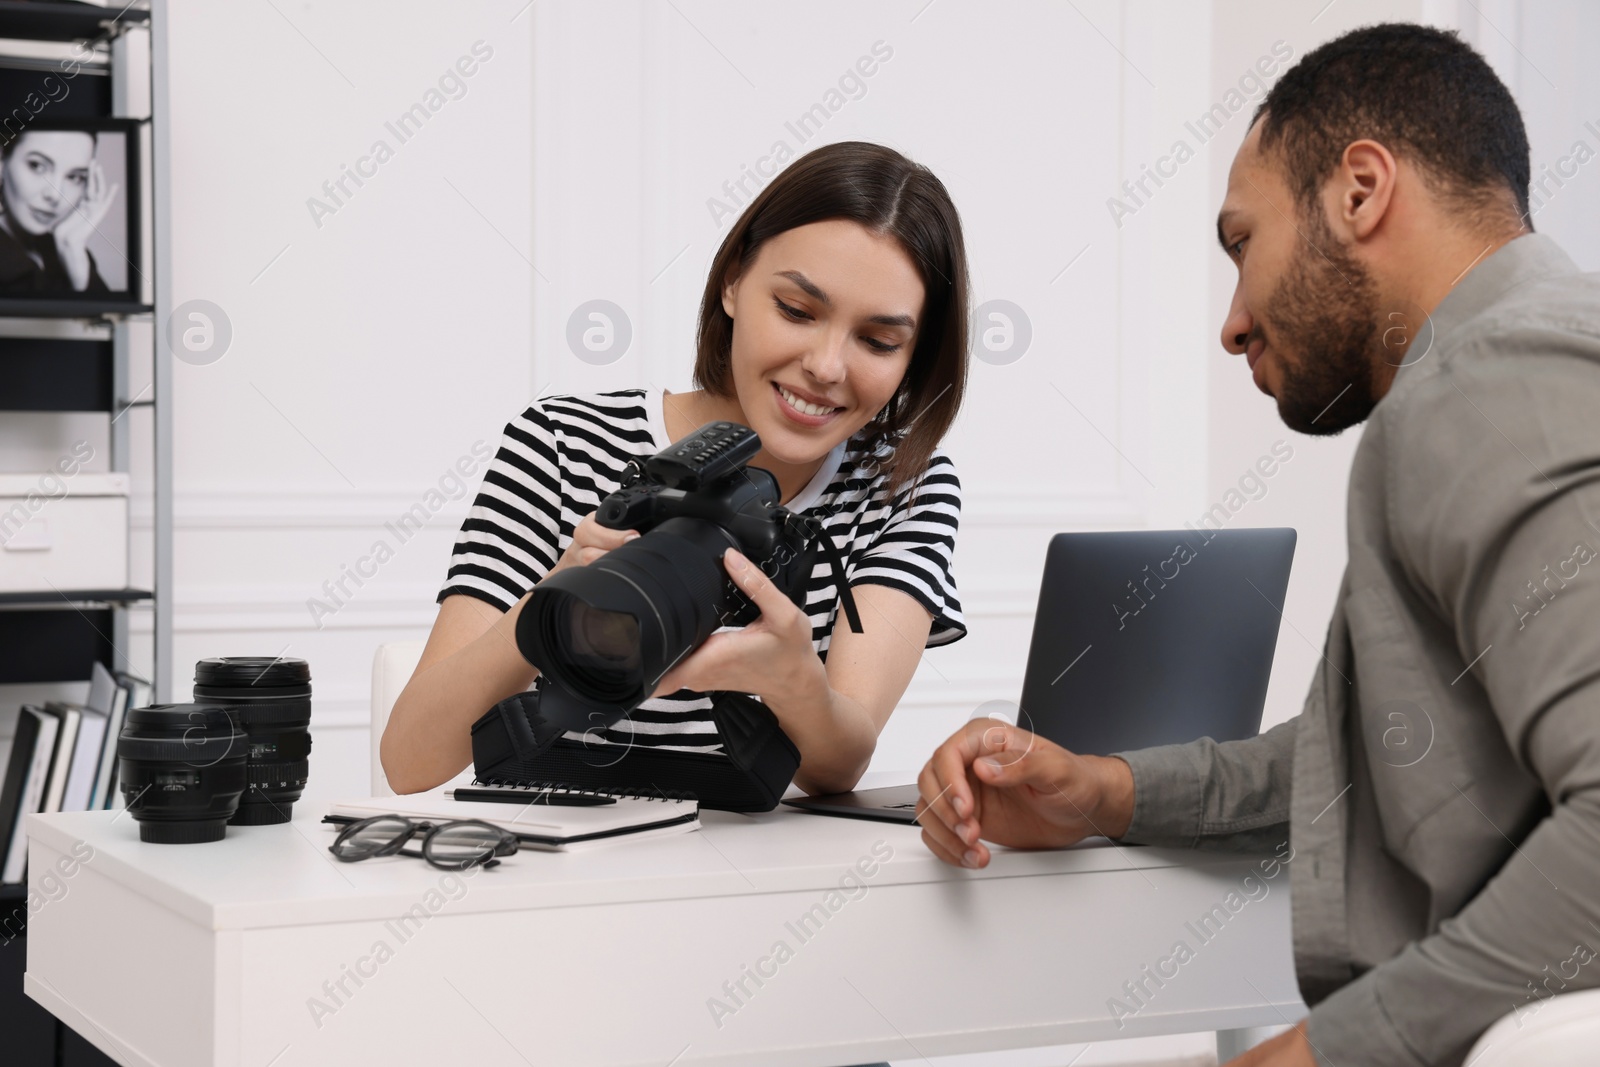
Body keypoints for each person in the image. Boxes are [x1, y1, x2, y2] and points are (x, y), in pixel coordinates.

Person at [916, 23, 1600, 1067]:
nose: (1231, 323)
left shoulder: (1490, 382)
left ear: (1359, 190)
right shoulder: (1531, 357)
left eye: (1242, 243)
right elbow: (1386, 750)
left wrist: (1316, 1054)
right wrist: (1107, 790)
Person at [384, 141, 970, 806]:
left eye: (878, 341)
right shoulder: (562, 444)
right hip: (552, 866)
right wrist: (561, 596)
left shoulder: (902, 486)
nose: (828, 366)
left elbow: (837, 766)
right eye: (797, 310)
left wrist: (792, 679)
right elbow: (410, 758)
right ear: (732, 283)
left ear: (914, 358)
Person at [0, 129, 117, 297]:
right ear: (2, 161)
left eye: (74, 177)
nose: (55, 195)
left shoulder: (68, 250)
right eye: (37, 166)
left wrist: (72, 251)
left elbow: (108, 319)